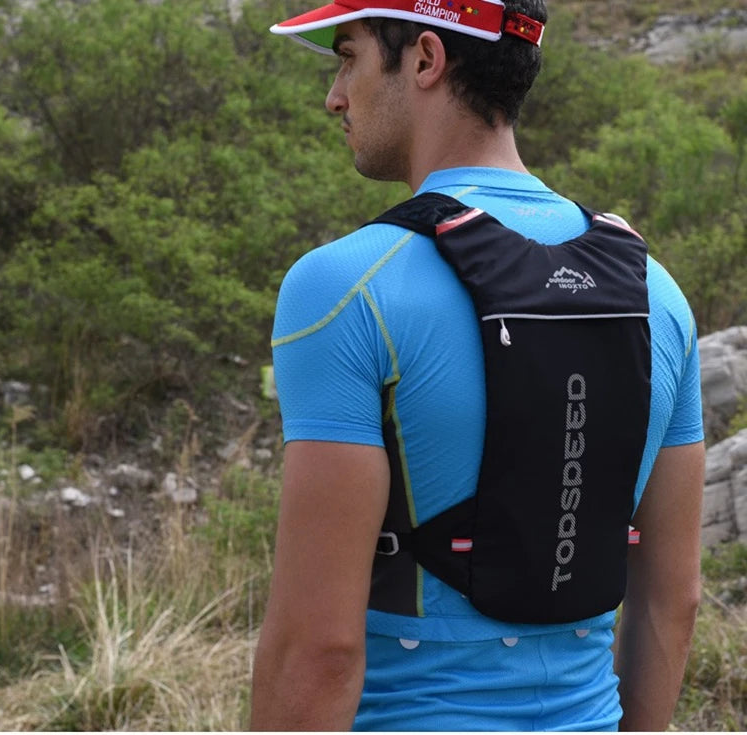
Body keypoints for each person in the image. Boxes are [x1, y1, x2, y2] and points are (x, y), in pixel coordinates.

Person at [250, 0, 705, 730]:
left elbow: (319, 649)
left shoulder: (345, 288)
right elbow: (671, 599)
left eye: (349, 56)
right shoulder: (659, 293)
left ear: (426, 59)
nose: (335, 95)